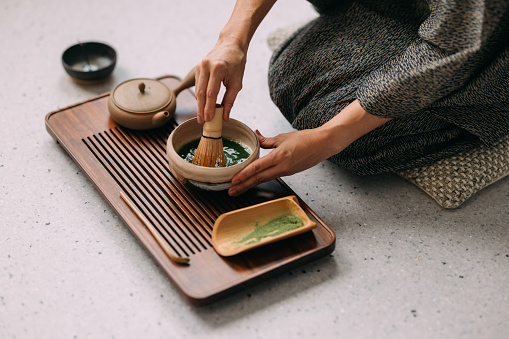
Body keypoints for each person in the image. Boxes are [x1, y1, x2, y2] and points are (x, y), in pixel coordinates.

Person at [194, 0, 509, 197]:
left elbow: (453, 42)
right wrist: (232, 39)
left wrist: (330, 137)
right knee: (287, 77)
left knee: (354, 142)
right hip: (394, 8)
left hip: (478, 46)